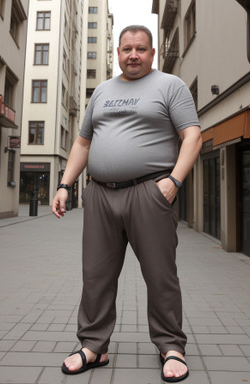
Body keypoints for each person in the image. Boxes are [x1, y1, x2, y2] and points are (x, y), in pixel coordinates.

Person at [52, 25, 202, 383]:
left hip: (149, 192)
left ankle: (170, 346)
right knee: (96, 276)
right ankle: (93, 346)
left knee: (160, 275)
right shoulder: (102, 91)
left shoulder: (170, 86)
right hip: (100, 194)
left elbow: (192, 136)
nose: (133, 55)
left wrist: (173, 182)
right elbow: (83, 143)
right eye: (126, 49)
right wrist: (65, 184)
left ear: (152, 53)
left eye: (141, 49)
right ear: (116, 53)